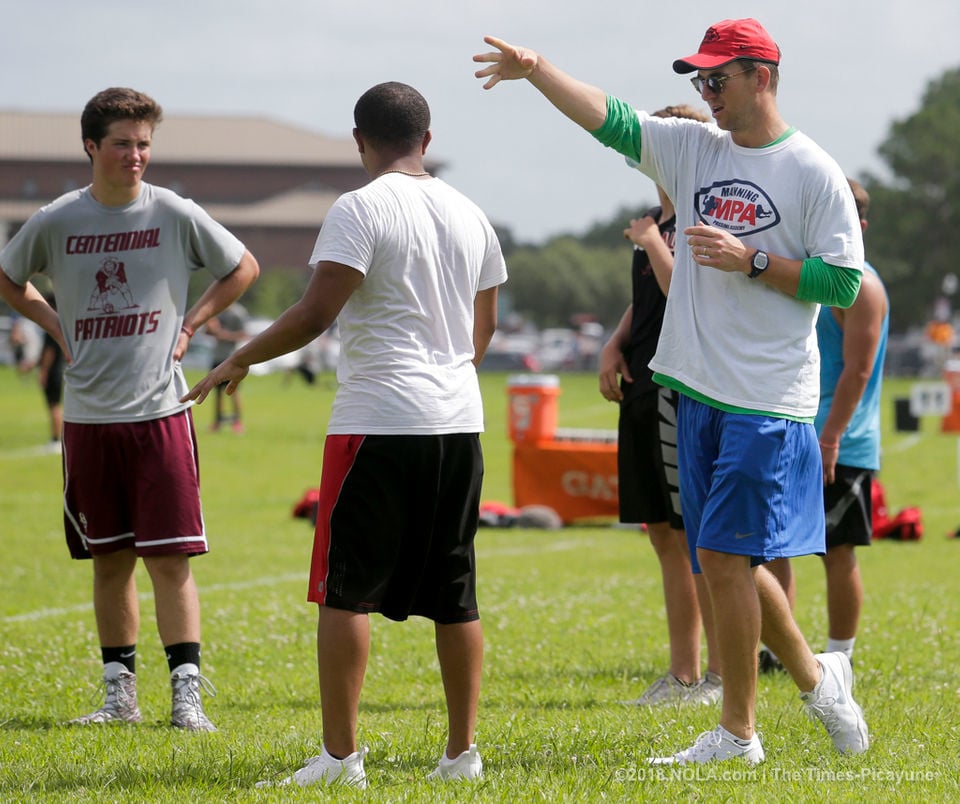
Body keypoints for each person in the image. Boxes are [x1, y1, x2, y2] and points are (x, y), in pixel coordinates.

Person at [474, 17, 869, 765]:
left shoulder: (813, 170)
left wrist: (750, 260)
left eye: (719, 79)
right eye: (700, 81)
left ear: (764, 76)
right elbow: (611, 117)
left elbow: (843, 281)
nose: (707, 93)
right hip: (694, 391)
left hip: (768, 398)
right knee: (725, 559)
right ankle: (820, 684)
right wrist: (539, 70)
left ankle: (739, 733)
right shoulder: (694, 150)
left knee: (722, 555)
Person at [183, 81, 507, 788]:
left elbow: (314, 313)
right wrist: (446, 380)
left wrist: (241, 356)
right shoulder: (472, 214)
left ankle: (340, 759)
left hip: (378, 420)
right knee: (456, 592)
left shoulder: (359, 208)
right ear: (427, 139)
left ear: (359, 141)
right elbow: (482, 332)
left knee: (345, 591)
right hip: (459, 420)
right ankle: (461, 756)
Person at [0, 87, 260, 731]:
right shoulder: (58, 219)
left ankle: (186, 698)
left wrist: (193, 323)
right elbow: (8, 276)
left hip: (160, 416)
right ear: (91, 146)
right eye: (122, 144)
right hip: (89, 421)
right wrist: (54, 323)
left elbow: (244, 267)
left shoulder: (173, 211)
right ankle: (120, 698)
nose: (136, 156)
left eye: (144, 144)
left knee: (170, 561)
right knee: (110, 561)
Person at [598, 105, 721, 707]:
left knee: (699, 535)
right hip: (643, 387)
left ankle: (715, 675)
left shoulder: (701, 220)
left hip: (680, 389)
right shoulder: (656, 221)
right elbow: (646, 300)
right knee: (663, 534)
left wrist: (652, 243)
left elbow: (684, 294)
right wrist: (615, 343)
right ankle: (683, 673)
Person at [765, 179, 889, 666]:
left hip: (840, 441)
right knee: (774, 546)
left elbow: (858, 370)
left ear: (857, 225)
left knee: (837, 551)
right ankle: (780, 651)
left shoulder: (862, 284)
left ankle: (839, 657)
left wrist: (832, 438)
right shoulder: (818, 274)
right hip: (793, 430)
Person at [204, 302, 249, 432]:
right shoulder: (216, 310)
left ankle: (237, 421)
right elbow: (207, 332)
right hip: (217, 357)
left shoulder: (238, 313)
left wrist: (222, 334)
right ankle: (217, 421)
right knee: (216, 392)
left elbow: (243, 334)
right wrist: (211, 329)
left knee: (234, 391)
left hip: (231, 358)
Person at [37, 293, 67, 450]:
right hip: (59, 370)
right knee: (56, 405)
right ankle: (57, 439)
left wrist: (44, 371)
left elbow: (49, 352)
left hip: (53, 371)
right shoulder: (62, 323)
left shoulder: (51, 326)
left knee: (53, 405)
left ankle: (56, 439)